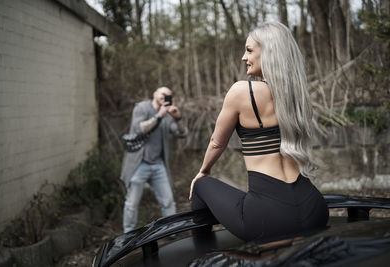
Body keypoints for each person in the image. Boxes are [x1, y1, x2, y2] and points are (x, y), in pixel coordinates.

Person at [189, 21, 329, 242]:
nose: (244, 57)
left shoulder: (242, 91)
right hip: (314, 208)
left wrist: (203, 170)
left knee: (200, 185)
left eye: (249, 50)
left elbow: (217, 142)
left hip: (268, 217)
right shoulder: (299, 98)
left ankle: (201, 258)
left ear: (270, 53)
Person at [120, 87, 187, 233]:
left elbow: (181, 133)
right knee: (131, 203)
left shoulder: (168, 114)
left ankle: (172, 233)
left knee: (168, 202)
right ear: (154, 94)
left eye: (169, 95)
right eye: (163, 94)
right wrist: (159, 115)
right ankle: (127, 235)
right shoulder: (142, 108)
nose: (165, 97)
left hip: (158, 165)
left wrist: (177, 117)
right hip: (139, 164)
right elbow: (139, 129)